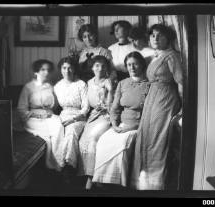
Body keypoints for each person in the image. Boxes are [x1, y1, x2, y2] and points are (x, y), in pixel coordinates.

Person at [131, 24, 183, 190]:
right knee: (146, 136)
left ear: (168, 38)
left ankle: (154, 185)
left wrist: (182, 109)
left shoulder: (172, 56)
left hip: (165, 100)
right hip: (152, 100)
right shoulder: (156, 55)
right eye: (152, 35)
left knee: (157, 139)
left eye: (159, 35)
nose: (155, 38)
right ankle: (142, 182)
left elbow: (181, 83)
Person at [91, 52, 150, 188]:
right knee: (103, 141)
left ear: (141, 65)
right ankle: (102, 182)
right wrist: (114, 125)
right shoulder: (123, 83)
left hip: (137, 126)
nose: (132, 67)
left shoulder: (149, 85)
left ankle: (119, 185)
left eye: (135, 64)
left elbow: (148, 113)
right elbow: (115, 108)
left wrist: (132, 127)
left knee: (121, 146)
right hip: (120, 125)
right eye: (129, 65)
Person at [17, 59, 62, 171]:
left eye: (48, 70)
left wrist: (49, 111)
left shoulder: (50, 87)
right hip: (33, 118)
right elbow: (21, 108)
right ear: (36, 72)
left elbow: (54, 105)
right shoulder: (28, 87)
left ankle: (60, 163)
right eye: (43, 70)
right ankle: (51, 165)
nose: (46, 72)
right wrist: (34, 115)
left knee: (59, 128)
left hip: (48, 115)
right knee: (47, 134)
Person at [77, 55, 114, 190]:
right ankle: (94, 174)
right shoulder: (89, 83)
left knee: (93, 139)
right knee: (82, 141)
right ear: (92, 68)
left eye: (103, 66)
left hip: (106, 116)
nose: (100, 68)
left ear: (107, 68)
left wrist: (110, 90)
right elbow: (87, 103)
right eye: (97, 65)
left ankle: (90, 178)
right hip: (93, 115)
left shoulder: (109, 81)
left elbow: (112, 105)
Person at [53, 57, 90, 182]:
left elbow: (86, 108)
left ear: (74, 69)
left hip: (78, 116)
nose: (67, 70)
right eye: (64, 68)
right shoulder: (57, 86)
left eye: (70, 67)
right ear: (61, 70)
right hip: (63, 115)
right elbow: (54, 107)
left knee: (71, 131)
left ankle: (68, 167)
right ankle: (57, 165)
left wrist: (73, 119)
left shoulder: (81, 84)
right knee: (55, 132)